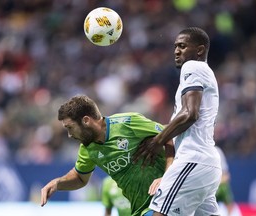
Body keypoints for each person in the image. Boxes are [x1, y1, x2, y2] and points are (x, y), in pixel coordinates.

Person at [133, 27, 222, 215]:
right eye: (175, 46)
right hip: (207, 166)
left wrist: (156, 141)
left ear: (199, 50)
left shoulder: (193, 66)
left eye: (182, 46)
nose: (176, 51)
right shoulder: (205, 72)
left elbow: (190, 114)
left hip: (192, 161)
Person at [40, 95, 174, 216]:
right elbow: (80, 178)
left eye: (70, 127)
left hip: (166, 197)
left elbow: (170, 135)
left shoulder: (127, 123)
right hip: (140, 208)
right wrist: (57, 183)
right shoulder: (87, 148)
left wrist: (167, 177)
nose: (69, 135)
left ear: (86, 120)